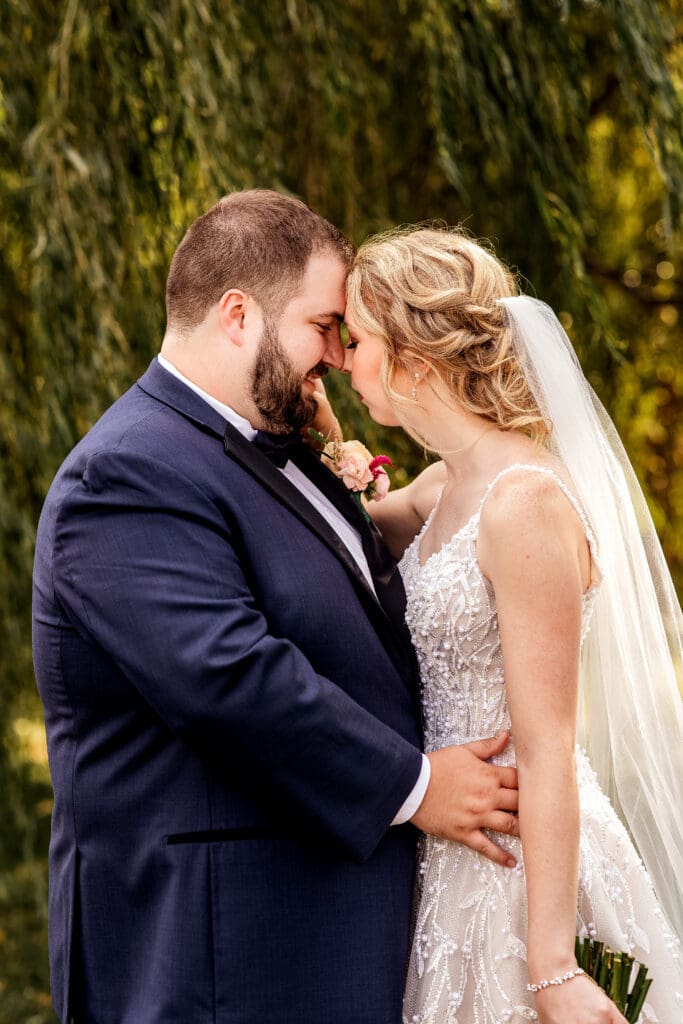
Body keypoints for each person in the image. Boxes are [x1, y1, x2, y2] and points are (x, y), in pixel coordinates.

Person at [32, 191, 522, 1024]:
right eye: (322, 326)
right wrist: (415, 785)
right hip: (223, 954)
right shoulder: (126, 473)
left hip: (317, 933)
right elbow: (226, 675)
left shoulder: (273, 446)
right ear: (236, 316)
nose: (336, 353)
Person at [339, 226, 683, 1024]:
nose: (343, 362)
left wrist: (551, 963)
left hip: (521, 865)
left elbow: (546, 744)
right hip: (445, 845)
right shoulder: (441, 483)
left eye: (356, 341)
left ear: (411, 356)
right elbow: (338, 534)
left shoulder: (522, 503)